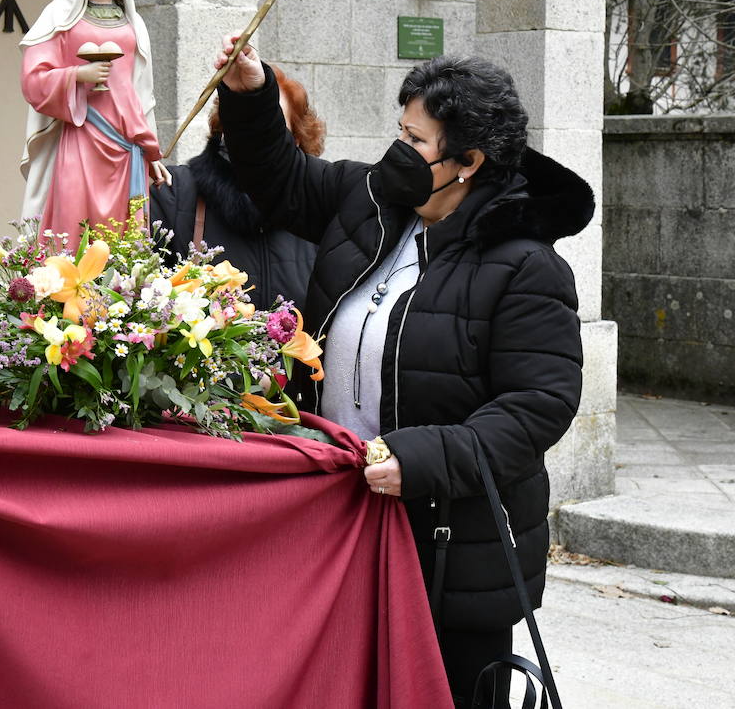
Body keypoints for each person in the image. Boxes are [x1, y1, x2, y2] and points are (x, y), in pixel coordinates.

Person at [212, 37, 591, 708]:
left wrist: (425, 456)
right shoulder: (371, 201)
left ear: (467, 162)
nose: (398, 152)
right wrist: (251, 94)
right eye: (399, 131)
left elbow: (538, 404)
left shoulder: (527, 267)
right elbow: (280, 179)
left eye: (416, 141)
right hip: (342, 514)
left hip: (451, 542)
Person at [20, 0, 171, 246]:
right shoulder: (63, 15)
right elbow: (33, 79)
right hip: (82, 134)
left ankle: (119, 295)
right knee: (73, 228)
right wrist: (77, 75)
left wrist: (151, 150)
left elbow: (142, 91)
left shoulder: (133, 22)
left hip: (126, 144)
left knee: (121, 242)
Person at [148, 65, 324, 310]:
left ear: (296, 138)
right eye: (245, 122)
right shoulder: (173, 193)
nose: (257, 133)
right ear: (225, 130)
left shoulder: (319, 208)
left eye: (273, 124)